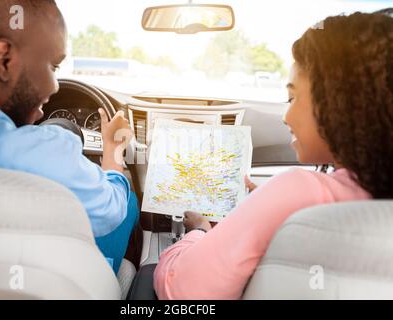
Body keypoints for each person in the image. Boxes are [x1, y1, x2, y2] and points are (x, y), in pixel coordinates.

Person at [154, 11, 393, 299]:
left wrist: (201, 231)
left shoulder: (298, 191)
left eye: (292, 98)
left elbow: (179, 289)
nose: (286, 115)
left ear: (340, 104)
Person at [0, 0, 138, 274]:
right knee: (126, 197)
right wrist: (113, 152)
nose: (54, 86)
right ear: (4, 59)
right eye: (53, 67)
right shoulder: (40, 152)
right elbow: (111, 211)